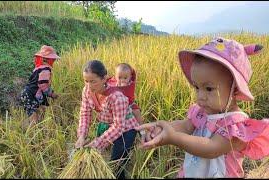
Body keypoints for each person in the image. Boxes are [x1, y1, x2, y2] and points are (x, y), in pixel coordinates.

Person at [136, 37, 269, 178]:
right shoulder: (202, 112)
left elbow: (211, 148)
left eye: (209, 89)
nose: (200, 96)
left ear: (234, 88)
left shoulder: (235, 125)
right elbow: (186, 126)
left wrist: (173, 138)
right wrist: (160, 130)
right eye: (197, 87)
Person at [75, 60, 139, 179]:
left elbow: (118, 126)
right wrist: (82, 136)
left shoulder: (117, 97)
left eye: (93, 81)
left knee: (116, 163)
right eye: (86, 81)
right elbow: (85, 113)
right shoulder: (87, 91)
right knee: (104, 155)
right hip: (108, 126)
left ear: (104, 78)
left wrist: (97, 143)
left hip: (126, 129)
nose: (89, 85)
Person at [20, 45, 60, 128]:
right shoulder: (45, 70)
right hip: (31, 95)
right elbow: (43, 85)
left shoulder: (38, 68)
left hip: (27, 93)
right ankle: (28, 133)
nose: (54, 61)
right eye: (53, 60)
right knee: (34, 117)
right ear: (48, 60)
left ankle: (24, 127)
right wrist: (52, 94)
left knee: (38, 111)